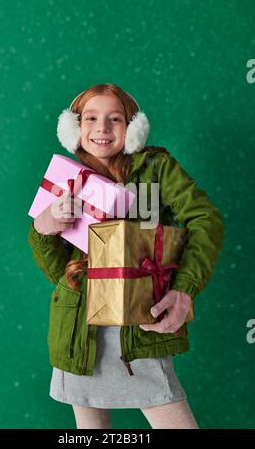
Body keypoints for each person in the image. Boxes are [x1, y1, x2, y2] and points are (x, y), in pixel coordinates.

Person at [27, 83, 224, 429]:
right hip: (79, 336)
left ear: (133, 128)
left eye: (115, 119)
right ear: (74, 127)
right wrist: (43, 229)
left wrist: (183, 291)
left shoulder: (157, 168)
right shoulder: (67, 179)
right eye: (90, 118)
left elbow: (207, 221)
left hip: (139, 330)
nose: (102, 128)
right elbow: (60, 274)